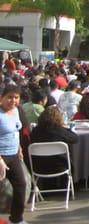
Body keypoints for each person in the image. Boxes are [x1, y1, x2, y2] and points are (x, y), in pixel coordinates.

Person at [0, 85, 27, 224]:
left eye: (16, 97)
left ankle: (16, 219)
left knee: (21, 185)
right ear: (1, 98)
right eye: (9, 97)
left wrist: (19, 149)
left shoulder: (16, 110)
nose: (13, 100)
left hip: (13, 155)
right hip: (1, 157)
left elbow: (15, 132)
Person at [30, 106, 78, 180]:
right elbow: (75, 138)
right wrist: (66, 128)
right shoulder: (60, 131)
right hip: (60, 166)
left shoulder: (35, 131)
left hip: (38, 166)